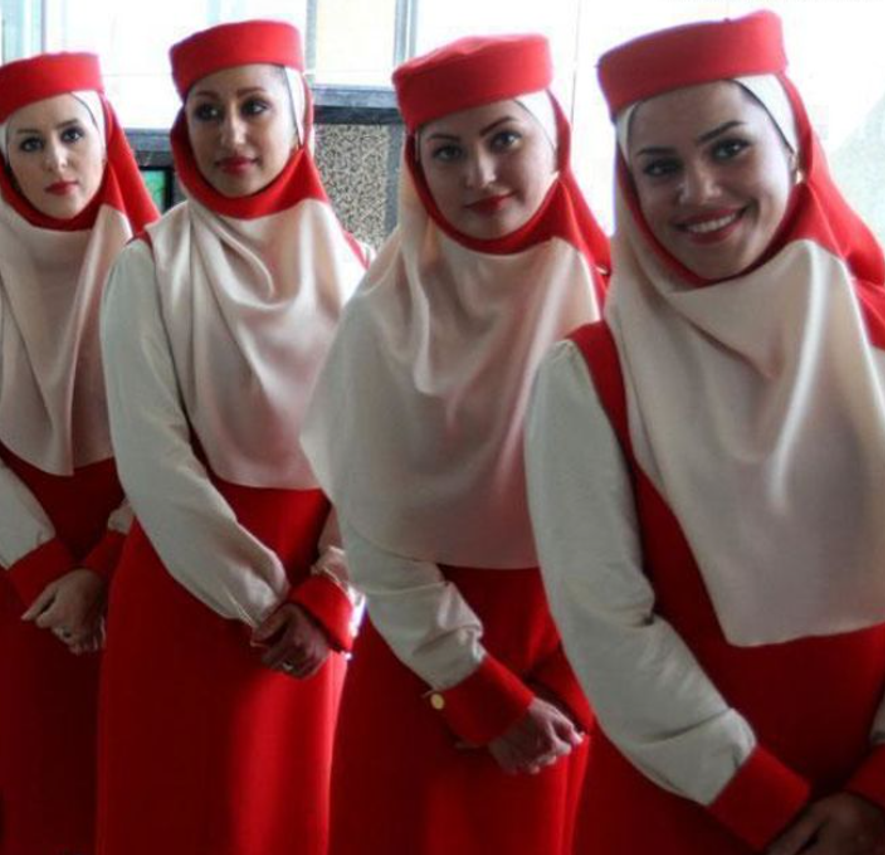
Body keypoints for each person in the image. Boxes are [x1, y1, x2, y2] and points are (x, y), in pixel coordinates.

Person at [525, 10, 885, 855]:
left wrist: (875, 792)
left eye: (729, 148)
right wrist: (764, 801)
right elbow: (606, 625)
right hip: (682, 803)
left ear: (793, 148)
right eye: (660, 166)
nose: (698, 190)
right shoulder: (589, 376)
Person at [300, 33, 607, 855]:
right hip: (422, 668)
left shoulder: (619, 301)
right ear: (418, 168)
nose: (480, 174)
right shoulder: (384, 317)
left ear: (554, 137)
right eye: (447, 151)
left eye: (504, 138)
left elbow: (662, 519)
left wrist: (574, 686)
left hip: (591, 663)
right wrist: (476, 689)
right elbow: (373, 531)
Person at [95, 20, 367, 855]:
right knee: (180, 812)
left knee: (295, 815)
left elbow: (379, 457)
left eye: (255, 106)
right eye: (207, 112)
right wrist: (264, 604)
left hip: (317, 601)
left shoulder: (360, 266)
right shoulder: (149, 266)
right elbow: (152, 457)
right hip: (190, 588)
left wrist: (331, 594)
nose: (231, 134)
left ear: (299, 114)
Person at [0, 51, 156, 855]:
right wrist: (48, 571)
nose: (56, 160)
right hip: (12, 574)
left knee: (121, 775)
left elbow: (180, 443)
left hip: (141, 562)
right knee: (15, 773)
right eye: (29, 143)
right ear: (2, 159)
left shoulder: (160, 269)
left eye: (72, 134)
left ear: (106, 137)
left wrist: (103, 568)